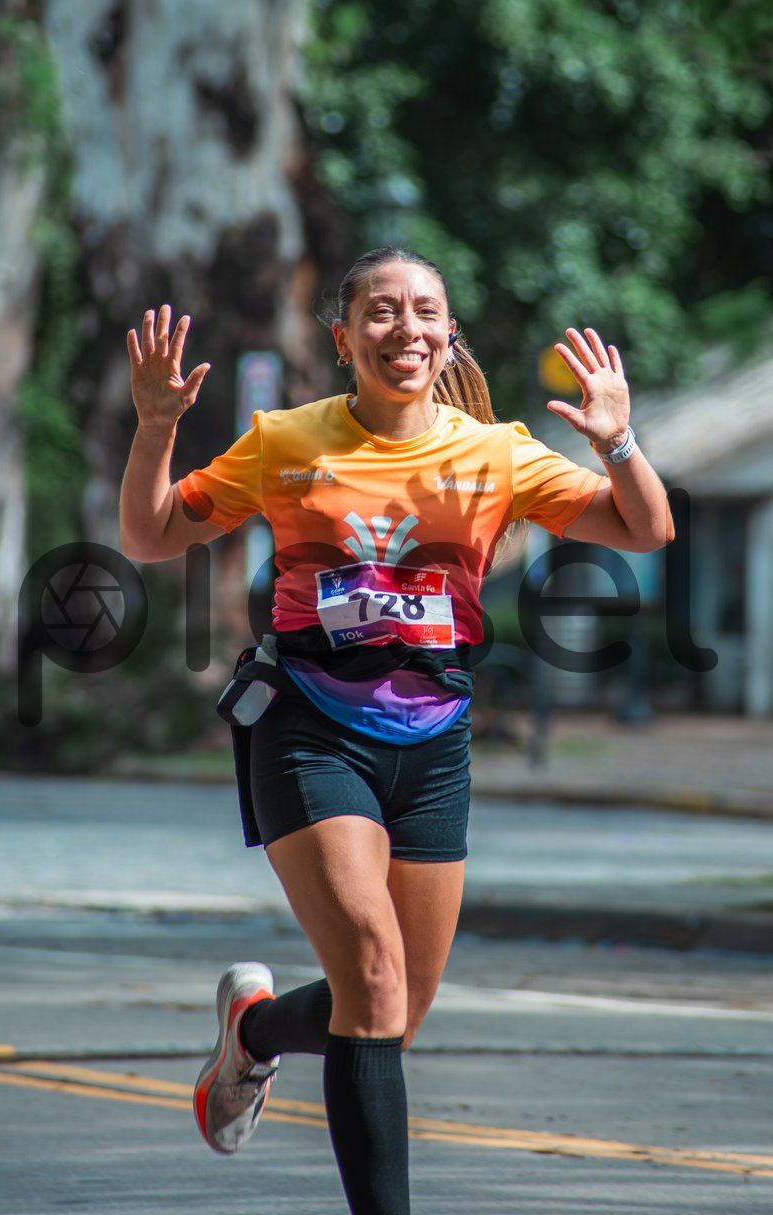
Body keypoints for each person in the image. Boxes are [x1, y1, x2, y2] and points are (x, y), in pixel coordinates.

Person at [120, 247, 674, 1214]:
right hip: (309, 726)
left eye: (424, 310)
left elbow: (645, 529)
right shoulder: (286, 441)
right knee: (372, 983)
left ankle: (253, 1033)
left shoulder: (495, 453)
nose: (404, 327)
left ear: (449, 335)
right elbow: (152, 533)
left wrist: (619, 441)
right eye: (380, 311)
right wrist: (156, 428)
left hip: (435, 739)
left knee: (394, 1014)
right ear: (344, 339)